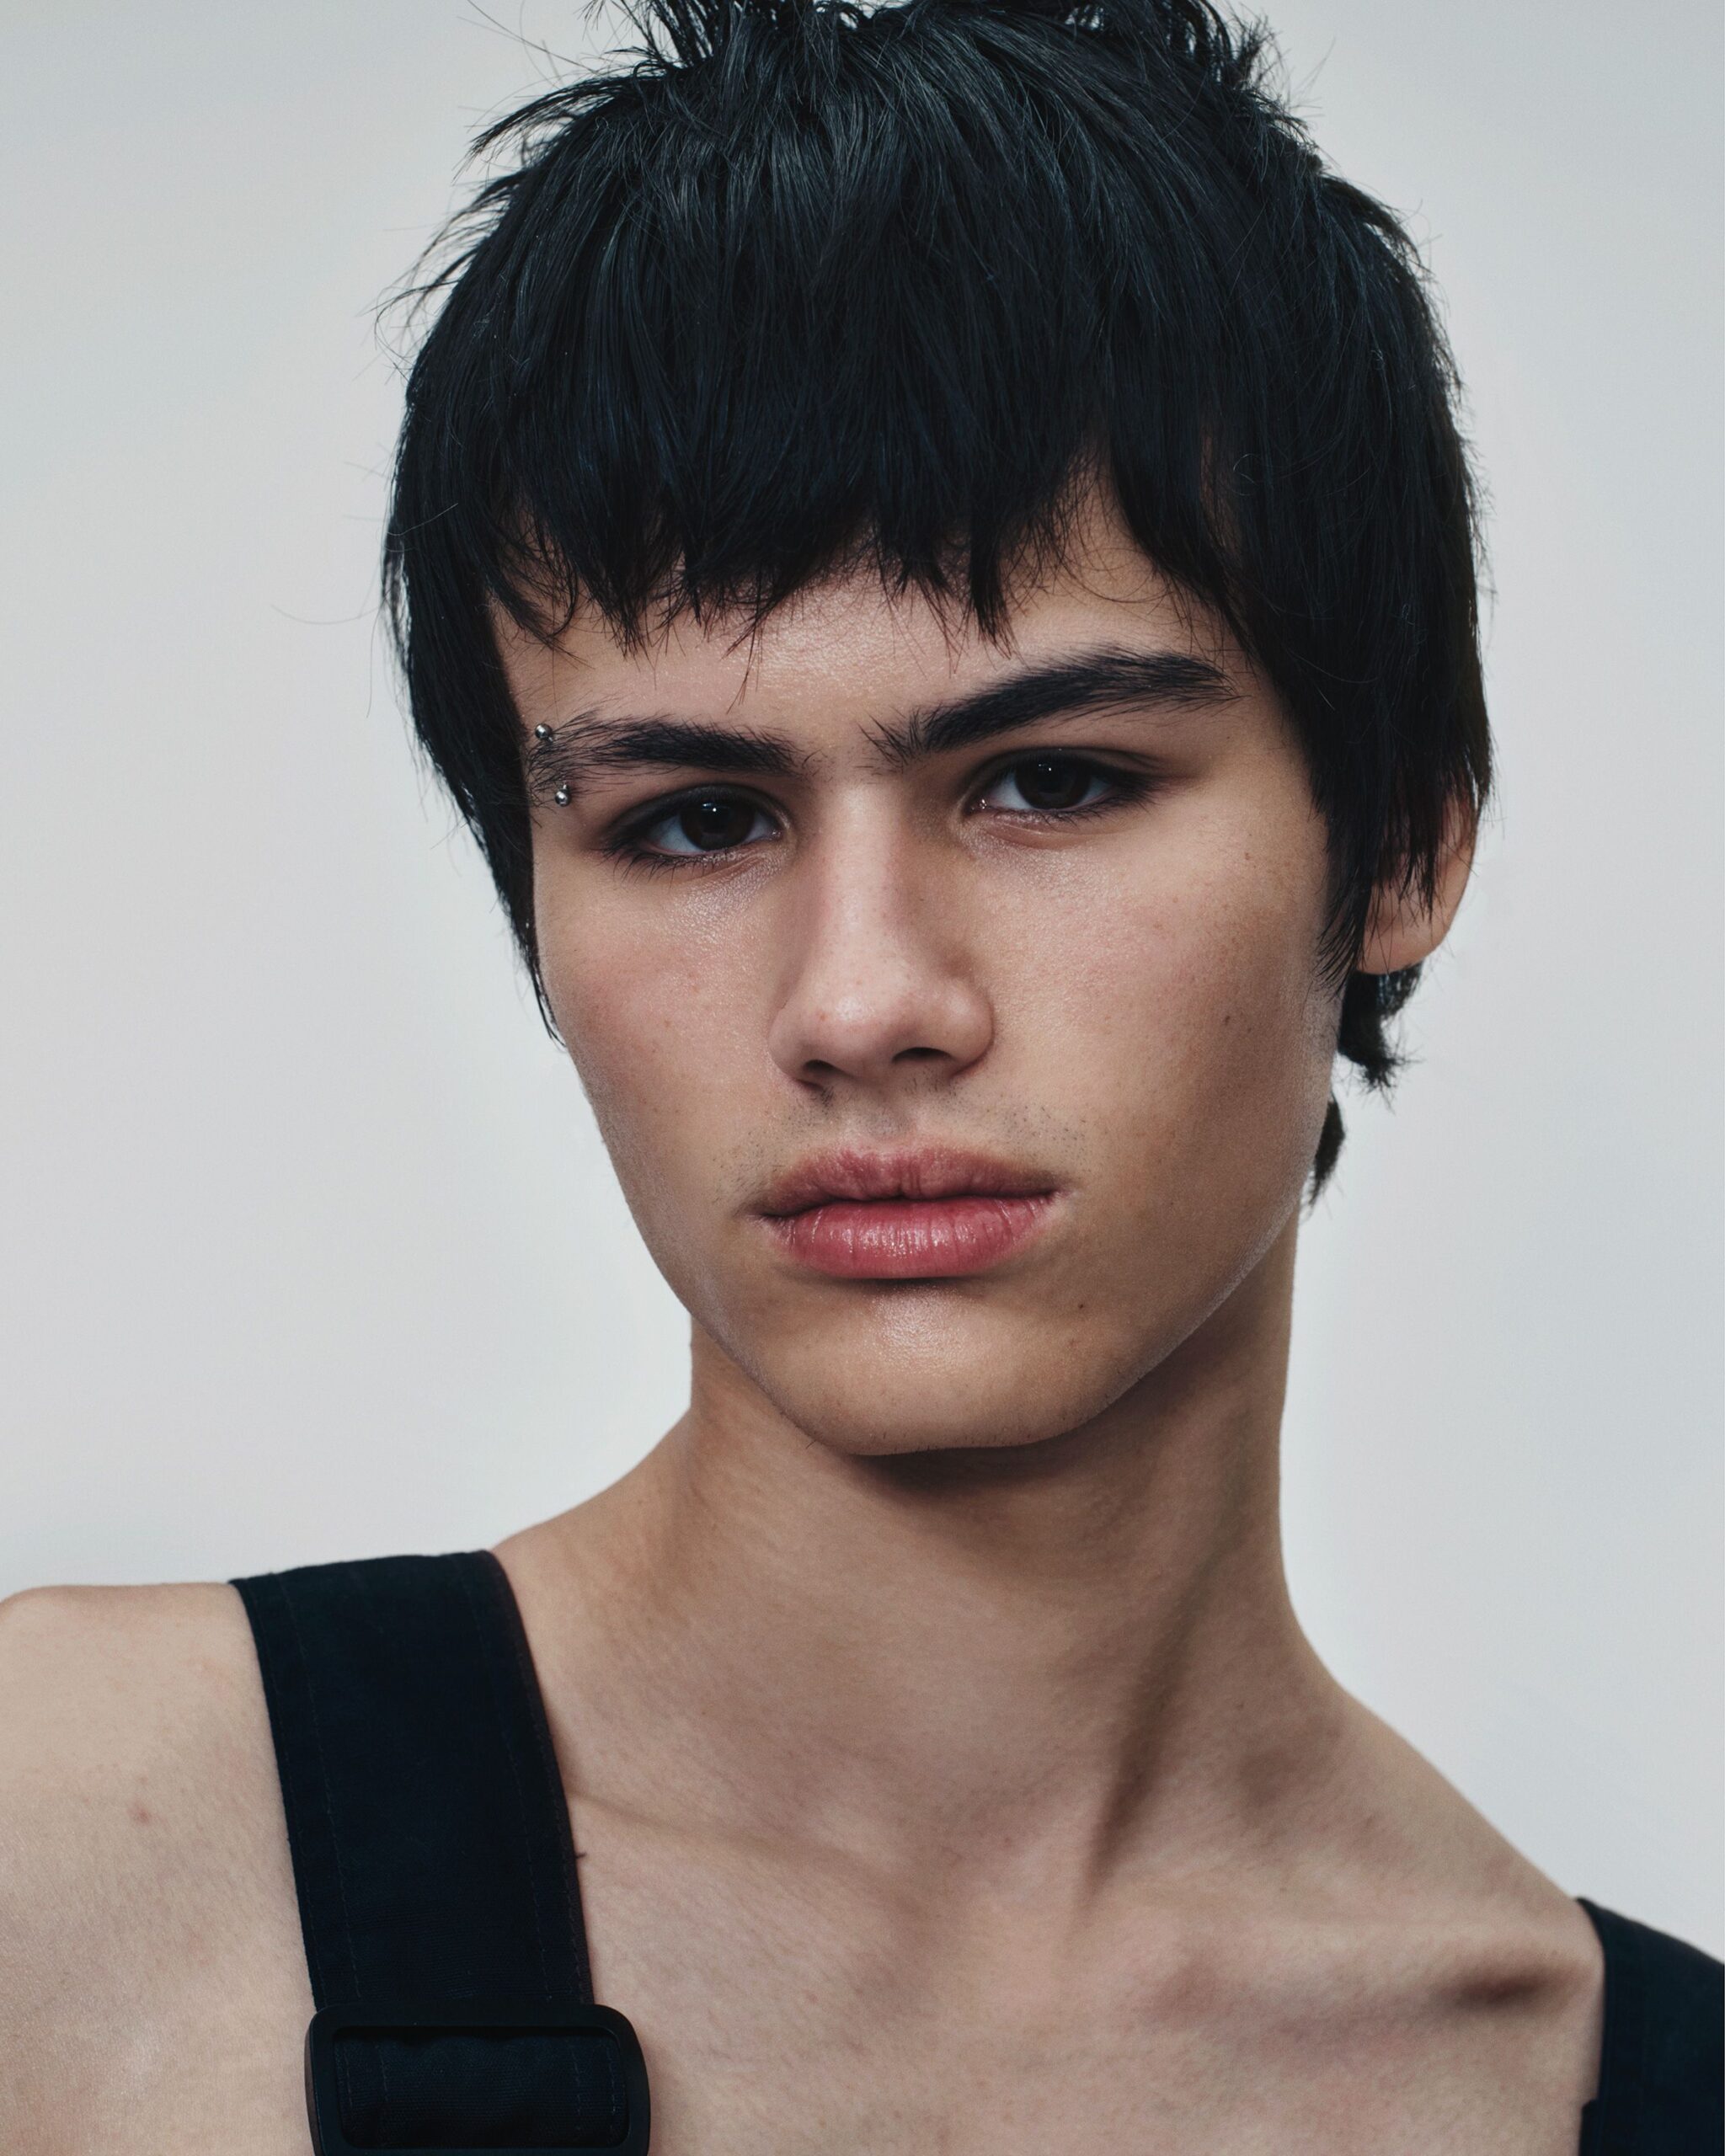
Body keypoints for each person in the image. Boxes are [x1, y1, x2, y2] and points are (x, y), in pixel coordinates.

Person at [1, 0, 1717, 2148]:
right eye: (695, 821)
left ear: (1403, 840)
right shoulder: (68, 1857)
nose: (862, 998)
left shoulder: (1615, 2082)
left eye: (1052, 779)